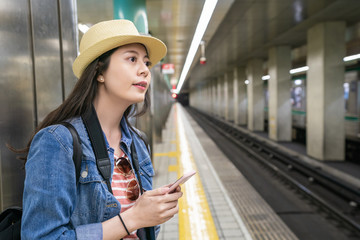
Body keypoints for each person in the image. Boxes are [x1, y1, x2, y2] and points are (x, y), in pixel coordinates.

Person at [19, 19, 183, 240]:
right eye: (132, 59)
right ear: (99, 72)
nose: (144, 70)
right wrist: (134, 217)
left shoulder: (137, 143)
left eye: (146, 62)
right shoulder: (58, 143)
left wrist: (154, 211)